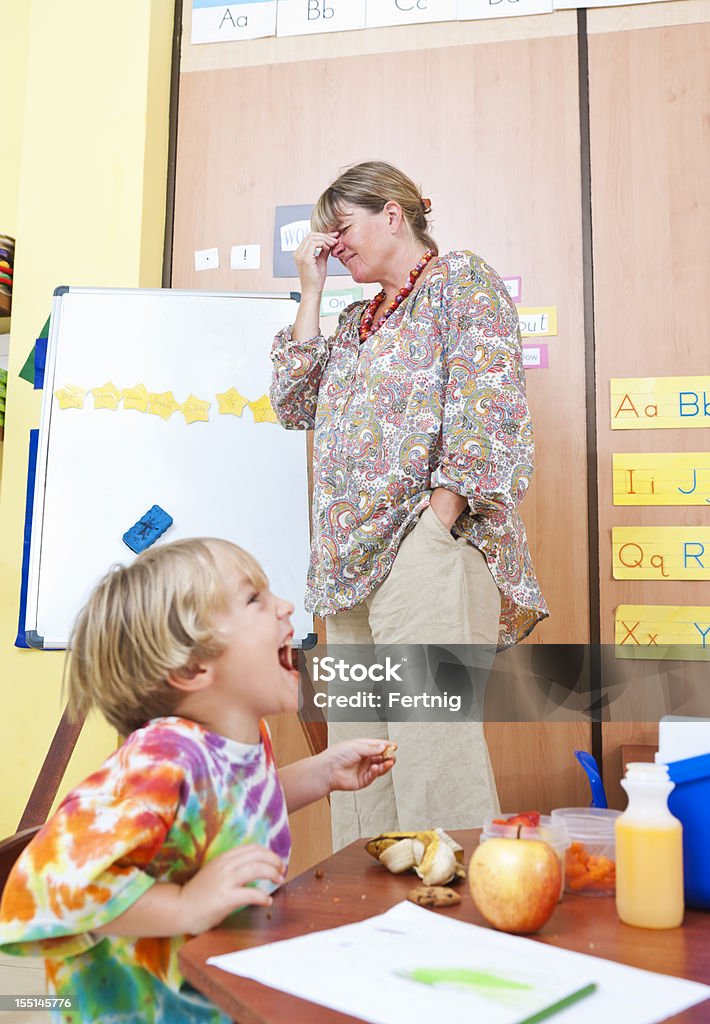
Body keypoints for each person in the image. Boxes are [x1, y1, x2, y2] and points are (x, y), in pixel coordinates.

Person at [0, 538, 395, 1024]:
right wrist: (185, 904)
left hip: (210, 994)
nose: (286, 606)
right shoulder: (163, 757)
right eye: (254, 598)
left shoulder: (244, 740)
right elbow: (47, 880)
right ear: (192, 667)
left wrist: (323, 773)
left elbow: (231, 810)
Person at [270, 161, 548, 850]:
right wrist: (310, 290)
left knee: (432, 744)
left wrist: (439, 521)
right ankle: (368, 915)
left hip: (424, 548)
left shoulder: (461, 281)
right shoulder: (354, 320)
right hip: (345, 565)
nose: (332, 245)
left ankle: (454, 920)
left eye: (341, 228)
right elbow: (291, 403)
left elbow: (491, 409)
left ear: (392, 215)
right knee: (359, 757)